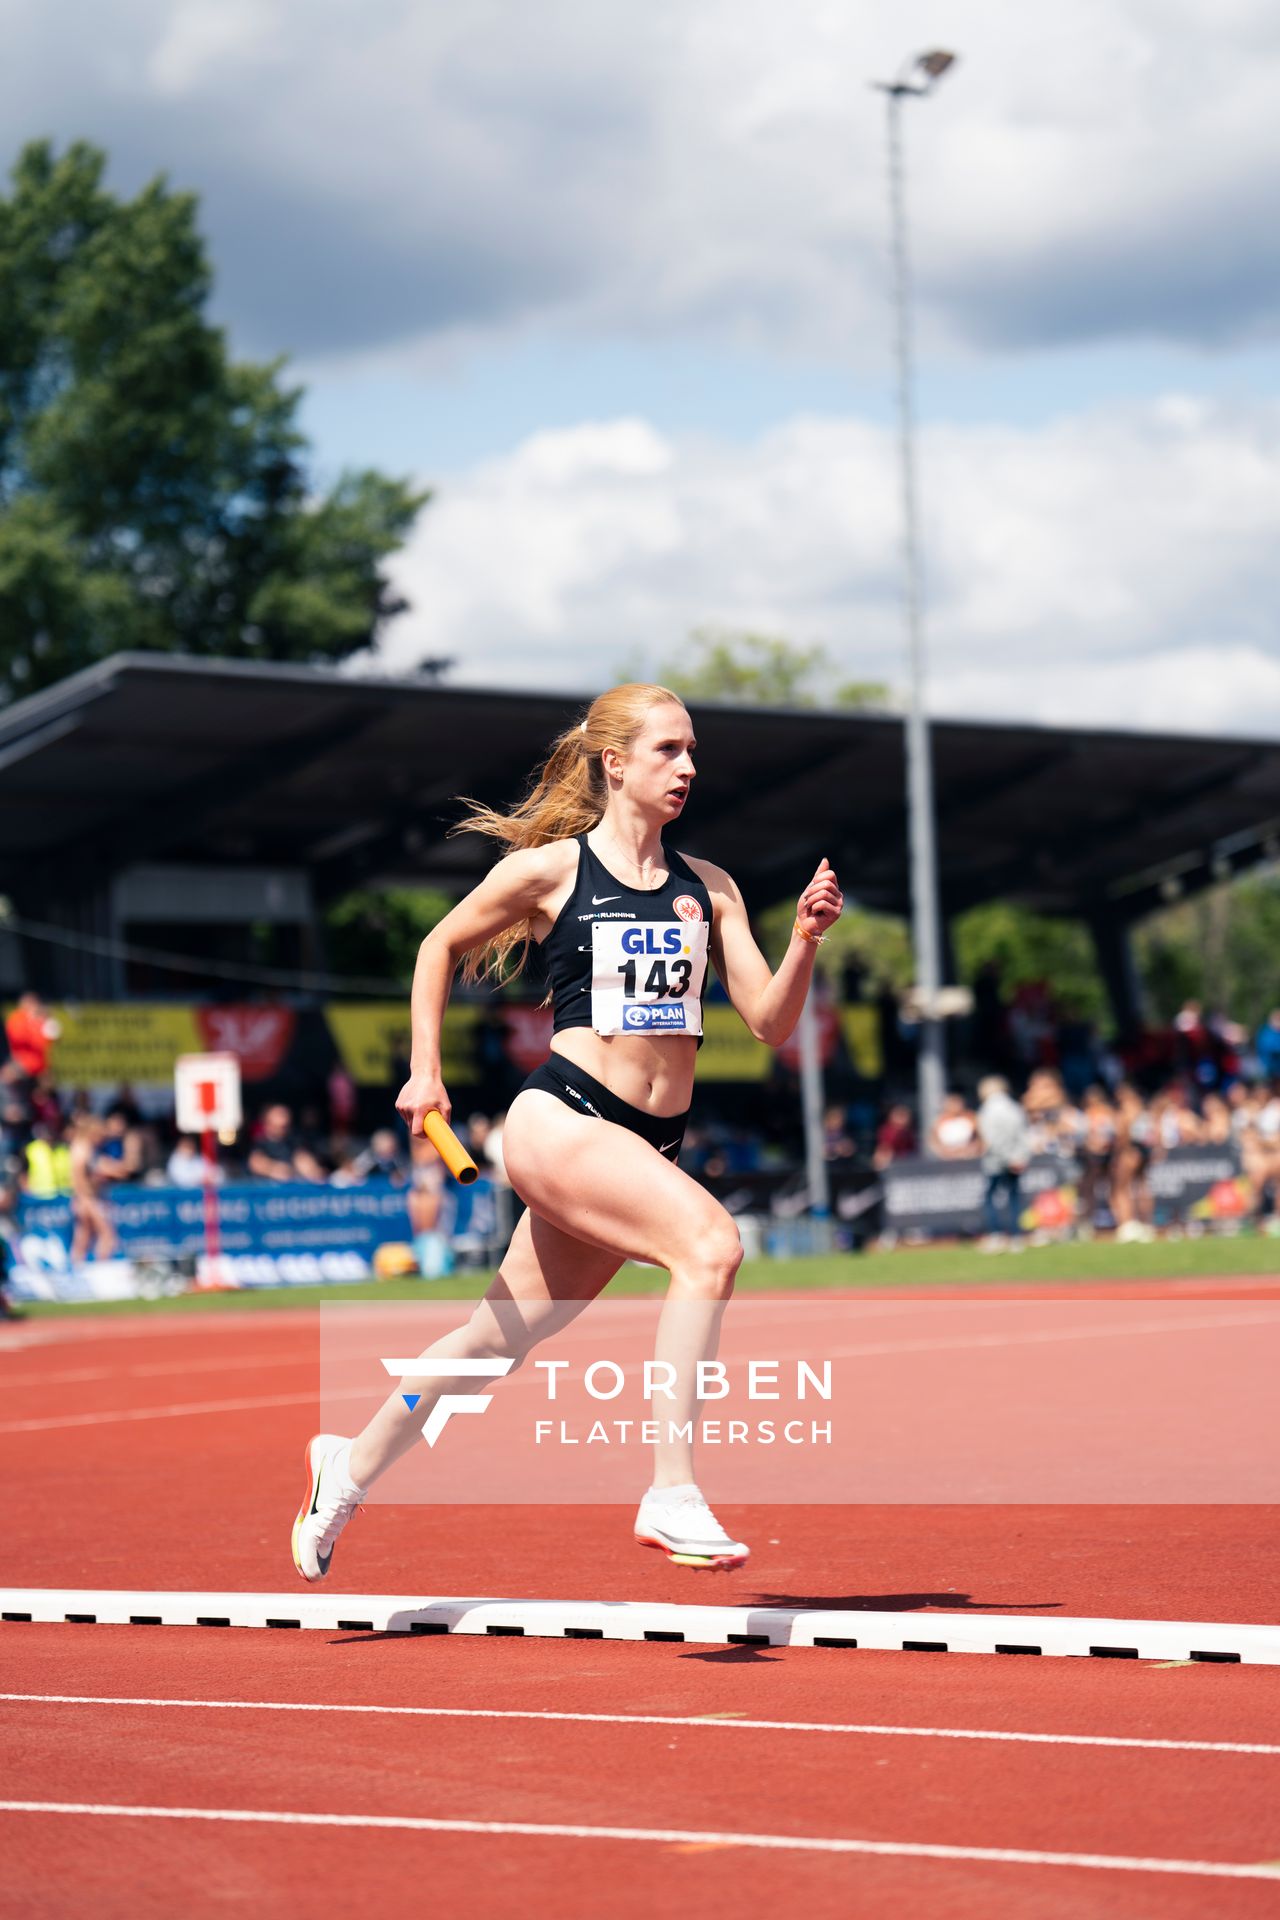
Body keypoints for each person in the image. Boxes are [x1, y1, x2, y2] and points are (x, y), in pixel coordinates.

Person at [291, 683, 842, 1582]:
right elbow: (438, 946)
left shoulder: (712, 889)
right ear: (615, 763)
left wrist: (807, 943)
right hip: (563, 1118)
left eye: (693, 751)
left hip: (645, 1142)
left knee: (493, 1341)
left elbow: (771, 1025)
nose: (689, 767)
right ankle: (671, 1489)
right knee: (710, 1245)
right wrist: (424, 1070)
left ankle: (343, 1470)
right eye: (669, 750)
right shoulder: (551, 870)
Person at [976, 1075, 1030, 1246]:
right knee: (1014, 1198)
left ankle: (995, 1235)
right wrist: (1019, 1157)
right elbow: (1023, 1137)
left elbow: (991, 1141)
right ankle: (1016, 1236)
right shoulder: (1015, 1108)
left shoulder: (987, 1110)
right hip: (1016, 1159)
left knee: (991, 1198)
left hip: (995, 1161)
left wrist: (1008, 1158)